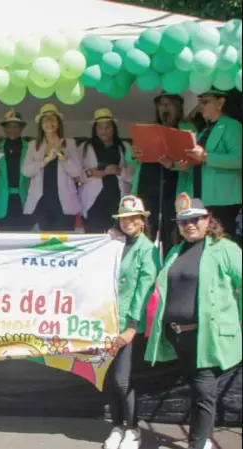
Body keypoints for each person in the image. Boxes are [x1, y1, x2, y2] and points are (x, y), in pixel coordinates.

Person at [146, 193, 242, 449]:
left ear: (208, 220)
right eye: (183, 221)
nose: (189, 225)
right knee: (199, 392)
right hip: (180, 338)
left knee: (203, 393)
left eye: (196, 219)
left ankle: (197, 444)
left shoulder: (225, 249)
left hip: (208, 337)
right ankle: (203, 440)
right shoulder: (176, 251)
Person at [104, 196, 160, 449]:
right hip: (106, 319)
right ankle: (117, 426)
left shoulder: (148, 250)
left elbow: (144, 290)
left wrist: (133, 326)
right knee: (107, 378)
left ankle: (133, 429)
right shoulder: (115, 244)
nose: (127, 222)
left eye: (132, 218)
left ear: (142, 221)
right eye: (123, 218)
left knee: (122, 379)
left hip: (129, 324)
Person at [127, 92, 197, 255]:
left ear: (178, 108)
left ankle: (169, 271)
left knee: (172, 233)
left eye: (169, 104)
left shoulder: (187, 129)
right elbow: (130, 157)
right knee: (145, 230)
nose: (164, 108)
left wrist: (173, 165)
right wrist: (133, 154)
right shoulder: (150, 128)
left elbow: (193, 162)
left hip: (173, 188)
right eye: (162, 105)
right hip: (148, 185)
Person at [176, 89, 242, 240]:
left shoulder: (231, 126)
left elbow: (239, 159)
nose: (200, 106)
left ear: (220, 103)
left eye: (205, 102)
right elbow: (199, 163)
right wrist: (186, 166)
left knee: (222, 244)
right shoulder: (204, 130)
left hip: (223, 201)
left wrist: (206, 157)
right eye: (199, 102)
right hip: (201, 200)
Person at [21, 104, 82, 232]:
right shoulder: (33, 145)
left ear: (58, 123)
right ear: (41, 125)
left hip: (63, 203)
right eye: (45, 119)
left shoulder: (69, 143)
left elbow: (76, 172)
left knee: (61, 244)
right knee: (42, 243)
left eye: (52, 119)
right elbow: (26, 171)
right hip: (40, 202)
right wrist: (46, 160)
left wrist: (61, 154)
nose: (49, 122)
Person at [78, 109, 131, 234]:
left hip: (117, 197)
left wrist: (119, 171)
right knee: (94, 235)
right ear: (95, 130)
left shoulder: (124, 147)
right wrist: (90, 173)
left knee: (116, 235)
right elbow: (75, 175)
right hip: (93, 201)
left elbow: (134, 174)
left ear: (114, 128)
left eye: (108, 127)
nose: (104, 131)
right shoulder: (85, 147)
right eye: (100, 127)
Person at [0, 109, 32, 232]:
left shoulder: (31, 149)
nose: (12, 130)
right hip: (1, 202)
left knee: (24, 241)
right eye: (9, 126)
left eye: (16, 127)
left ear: (21, 128)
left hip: (25, 200)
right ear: (4, 129)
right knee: (5, 241)